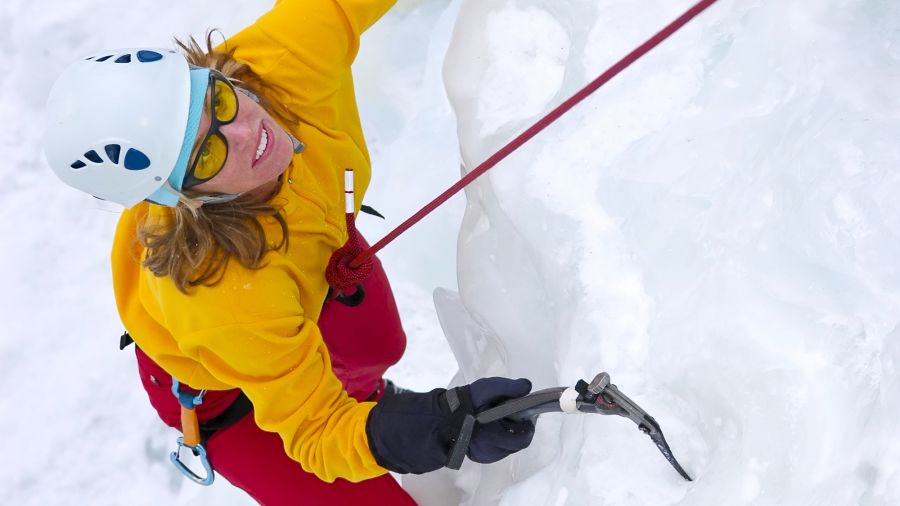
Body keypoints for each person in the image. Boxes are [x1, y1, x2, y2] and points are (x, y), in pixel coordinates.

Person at [43, 1, 536, 504]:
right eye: (207, 155)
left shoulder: (269, 68)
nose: (246, 134)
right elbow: (317, 433)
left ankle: (365, 398)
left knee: (379, 343)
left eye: (220, 102)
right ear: (186, 199)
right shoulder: (219, 293)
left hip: (301, 258)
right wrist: (424, 432)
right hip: (224, 401)